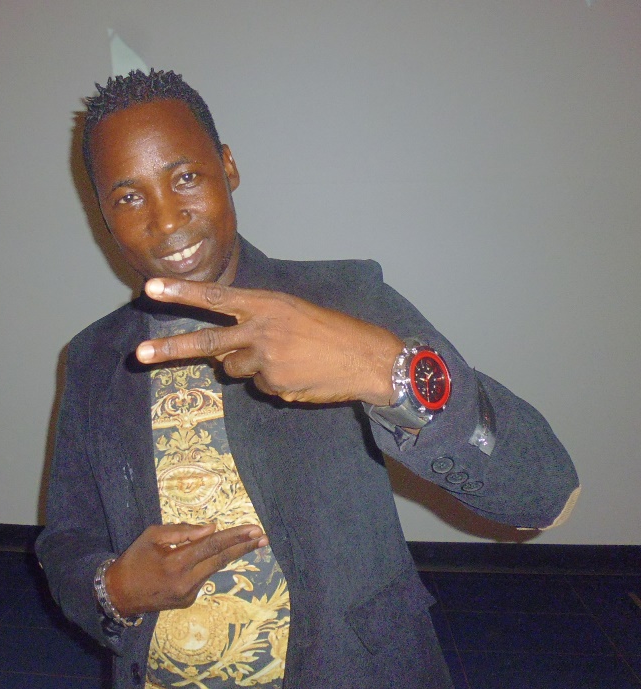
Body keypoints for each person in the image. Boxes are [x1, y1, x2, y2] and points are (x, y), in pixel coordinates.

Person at [36, 69, 580, 689]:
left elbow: (542, 492)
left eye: (185, 177)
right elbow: (67, 537)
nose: (165, 220)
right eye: (129, 198)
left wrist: (381, 369)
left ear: (228, 166)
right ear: (102, 214)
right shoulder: (93, 358)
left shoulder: (341, 302)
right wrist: (113, 588)